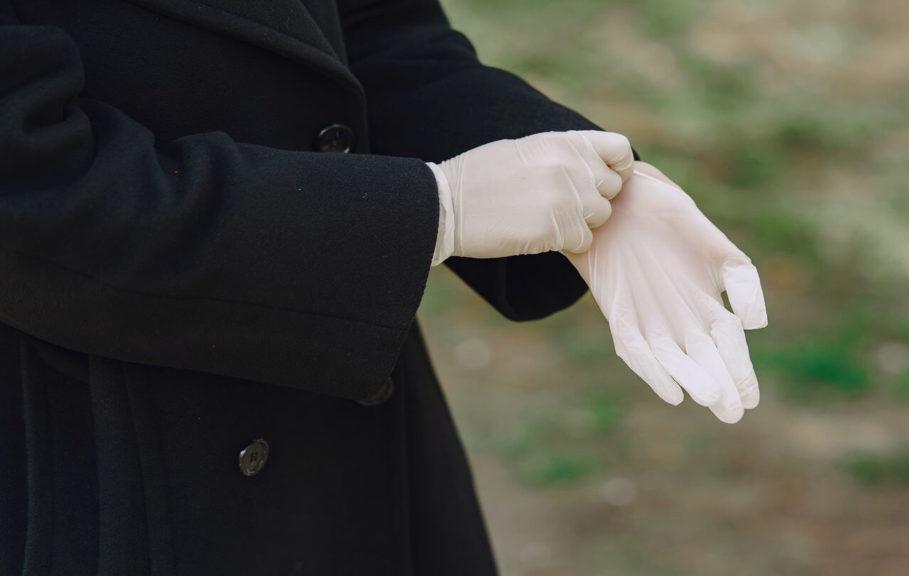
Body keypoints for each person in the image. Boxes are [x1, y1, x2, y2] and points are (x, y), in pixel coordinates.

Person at [0, 0, 766, 573]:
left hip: (349, 427)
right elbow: (34, 191)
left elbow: (378, 29)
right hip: (97, 461)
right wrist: (433, 209)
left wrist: (586, 181)